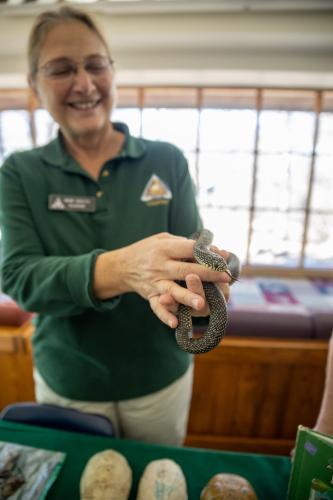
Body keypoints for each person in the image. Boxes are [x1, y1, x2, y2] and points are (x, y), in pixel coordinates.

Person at [0, 6, 232, 446]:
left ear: (112, 71)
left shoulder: (167, 161)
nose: (84, 83)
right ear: (34, 86)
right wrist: (123, 269)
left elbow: (192, 253)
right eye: (61, 69)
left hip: (161, 377)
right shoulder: (19, 173)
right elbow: (19, 278)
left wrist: (205, 288)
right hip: (68, 383)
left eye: (95, 64)